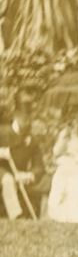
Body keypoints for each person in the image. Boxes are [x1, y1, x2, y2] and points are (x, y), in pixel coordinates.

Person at [0, 91, 47, 219]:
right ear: (15, 115)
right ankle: (16, 217)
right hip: (2, 172)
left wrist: (30, 174)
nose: (27, 121)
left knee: (47, 180)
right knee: (8, 180)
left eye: (29, 117)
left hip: (19, 174)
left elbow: (39, 166)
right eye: (23, 116)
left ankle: (45, 216)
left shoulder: (32, 139)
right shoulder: (2, 132)